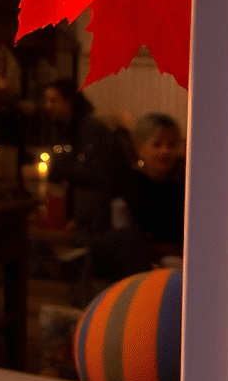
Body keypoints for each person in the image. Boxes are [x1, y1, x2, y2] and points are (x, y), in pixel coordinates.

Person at [92, 114, 186, 280]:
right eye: (157, 145)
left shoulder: (185, 186)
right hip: (133, 264)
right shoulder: (126, 185)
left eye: (171, 145)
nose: (165, 151)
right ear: (140, 149)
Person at [41, 79, 121, 234]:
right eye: (47, 100)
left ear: (69, 102)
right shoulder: (59, 130)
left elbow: (94, 174)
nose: (48, 106)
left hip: (94, 219)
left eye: (53, 100)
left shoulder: (93, 130)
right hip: (70, 214)